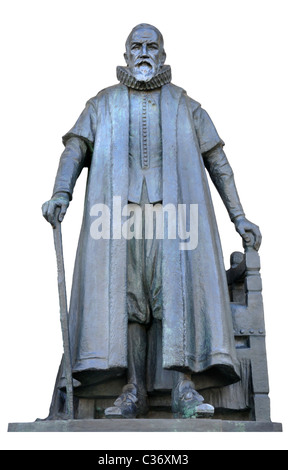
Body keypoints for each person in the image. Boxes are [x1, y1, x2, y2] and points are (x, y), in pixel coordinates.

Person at [42, 24, 261, 419]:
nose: (144, 52)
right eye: (136, 46)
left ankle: (184, 388)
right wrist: (62, 193)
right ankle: (133, 390)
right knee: (127, 302)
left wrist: (239, 217)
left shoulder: (185, 105)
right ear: (126, 55)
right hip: (115, 221)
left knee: (173, 298)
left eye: (151, 46)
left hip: (177, 220)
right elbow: (75, 149)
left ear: (162, 54)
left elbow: (218, 163)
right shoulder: (101, 104)